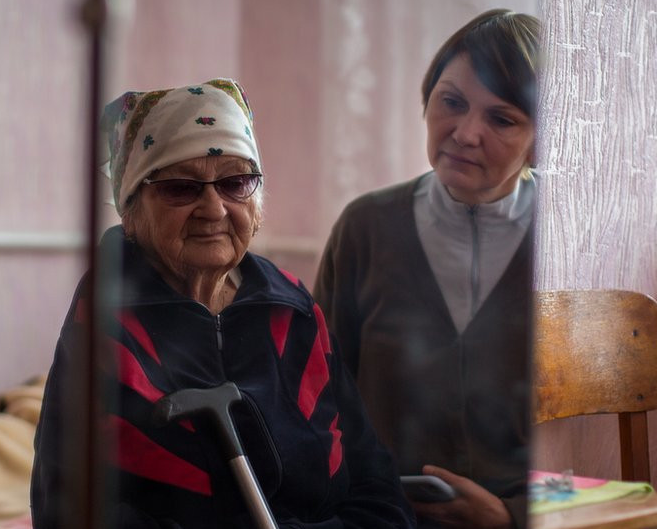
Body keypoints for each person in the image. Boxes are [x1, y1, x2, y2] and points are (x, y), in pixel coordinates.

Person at [32, 78, 416, 529]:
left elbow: (377, 486)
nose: (213, 209)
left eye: (236, 182)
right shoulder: (106, 318)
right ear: (131, 209)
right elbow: (68, 508)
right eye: (180, 187)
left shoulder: (292, 309)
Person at [313, 10, 540, 529]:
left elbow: (588, 434)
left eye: (501, 118)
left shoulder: (570, 242)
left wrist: (512, 517)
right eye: (452, 102)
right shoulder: (365, 227)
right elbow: (316, 396)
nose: (464, 133)